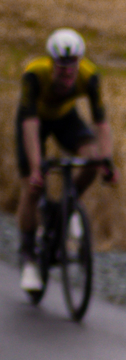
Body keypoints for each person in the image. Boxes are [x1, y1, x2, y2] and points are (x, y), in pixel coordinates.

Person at [16, 28, 113, 296]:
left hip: (66, 119)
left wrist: (107, 161)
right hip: (35, 123)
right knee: (33, 187)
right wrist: (36, 168)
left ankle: (66, 207)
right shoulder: (35, 75)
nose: (67, 74)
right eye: (61, 69)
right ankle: (28, 257)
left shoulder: (89, 76)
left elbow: (100, 123)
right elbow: (30, 124)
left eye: (72, 69)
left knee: (92, 159)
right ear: (52, 63)